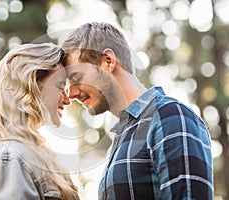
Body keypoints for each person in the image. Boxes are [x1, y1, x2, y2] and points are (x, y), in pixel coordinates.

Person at [62, 22, 213, 200]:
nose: (70, 94)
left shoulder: (169, 116)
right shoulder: (123, 136)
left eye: (77, 77)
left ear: (108, 61)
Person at [0, 43, 79, 199]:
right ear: (30, 85)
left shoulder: (31, 155)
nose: (67, 100)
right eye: (60, 86)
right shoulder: (11, 158)